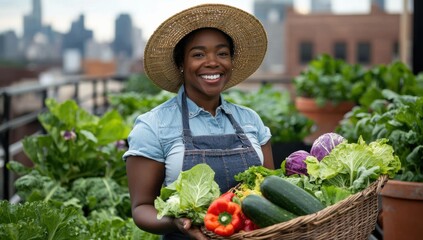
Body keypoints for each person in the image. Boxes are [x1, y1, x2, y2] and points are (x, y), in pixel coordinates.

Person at [124, 4, 273, 240]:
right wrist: (176, 222)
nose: (212, 62)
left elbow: (270, 193)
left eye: (222, 53)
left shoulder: (250, 120)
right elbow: (141, 208)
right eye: (198, 54)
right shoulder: (153, 125)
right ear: (181, 64)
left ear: (231, 62)